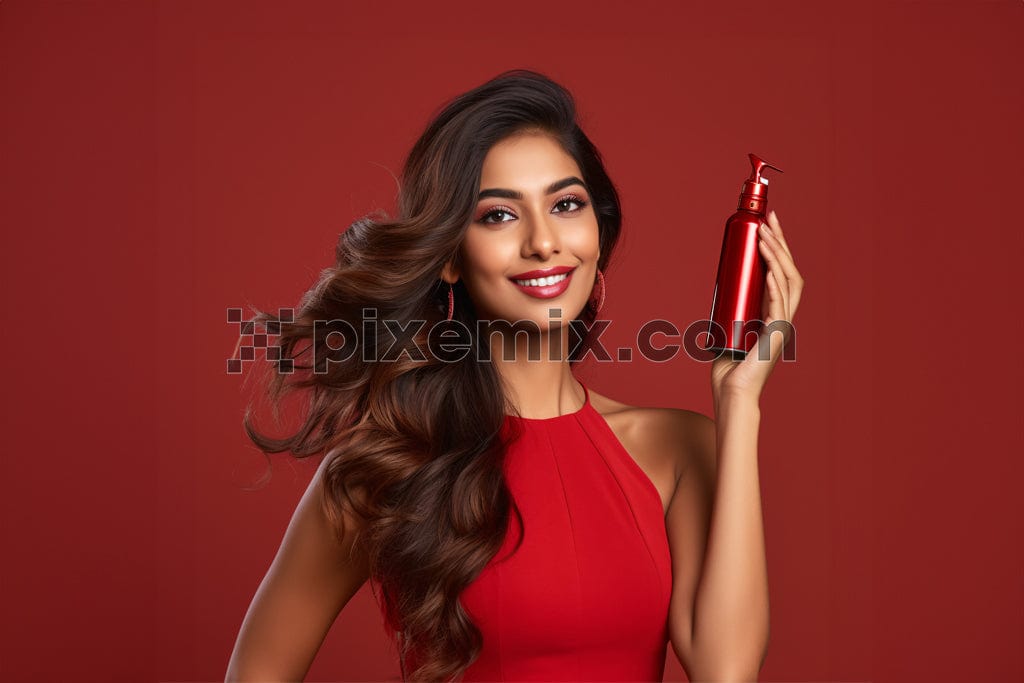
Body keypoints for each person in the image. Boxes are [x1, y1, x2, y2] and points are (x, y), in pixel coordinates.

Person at [224, 69, 803, 683]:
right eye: (499, 215)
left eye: (566, 204)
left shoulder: (680, 449)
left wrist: (739, 402)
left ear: (598, 234)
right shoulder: (390, 463)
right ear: (450, 256)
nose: (544, 242)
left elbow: (727, 670)